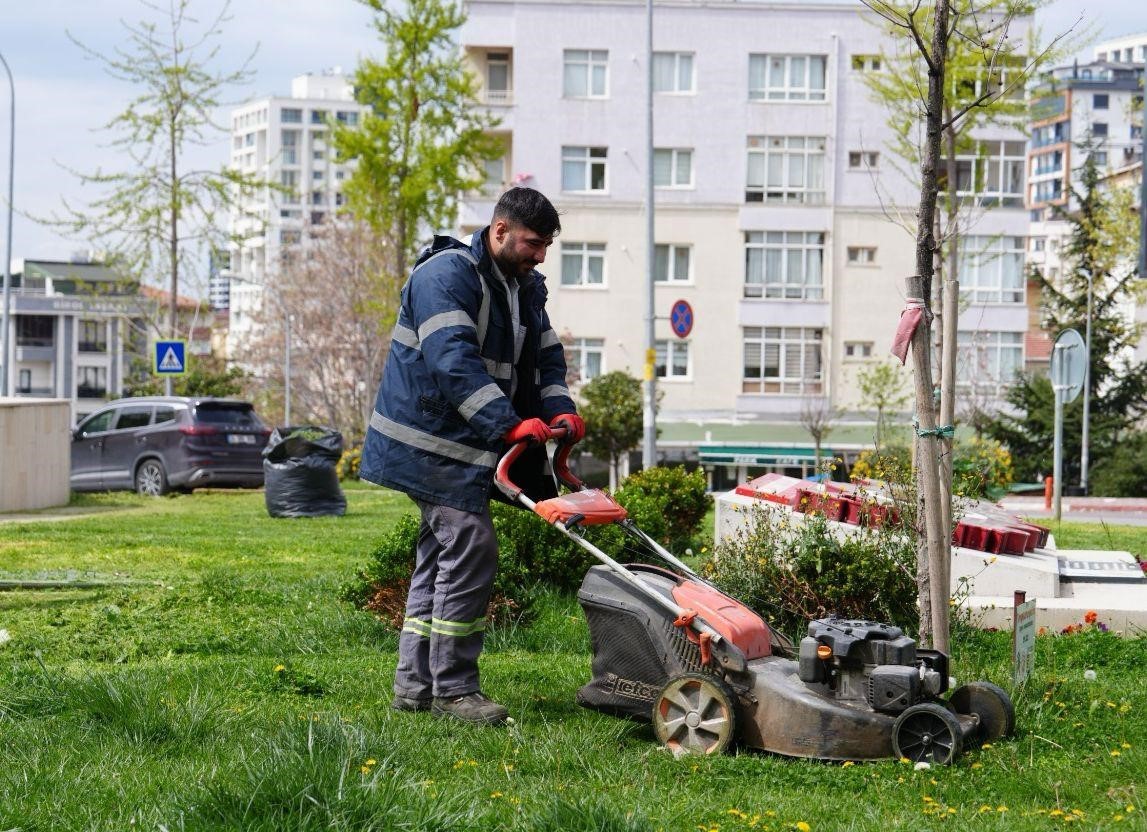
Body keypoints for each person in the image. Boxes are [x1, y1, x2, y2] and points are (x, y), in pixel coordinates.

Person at [359, 187, 585, 726]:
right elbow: (452, 362)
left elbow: (546, 361)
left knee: (440, 558)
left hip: (467, 445)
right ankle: (454, 691)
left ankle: (414, 688)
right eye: (534, 243)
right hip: (428, 443)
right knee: (472, 545)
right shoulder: (446, 276)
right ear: (500, 230)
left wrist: (560, 411)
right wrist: (508, 425)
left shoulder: (524, 288)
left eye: (548, 246)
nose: (540, 256)